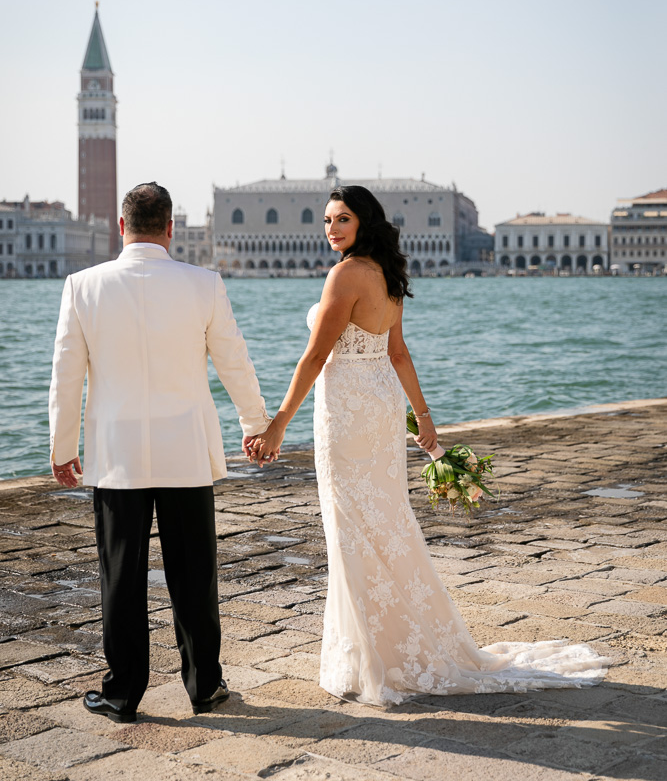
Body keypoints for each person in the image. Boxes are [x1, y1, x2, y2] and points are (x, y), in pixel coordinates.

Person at [245, 185, 609, 706]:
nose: (331, 229)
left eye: (342, 220)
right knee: (386, 520)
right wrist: (423, 416)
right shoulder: (388, 276)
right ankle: (391, 645)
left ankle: (372, 657)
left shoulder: (344, 275)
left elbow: (314, 357)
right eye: (327, 220)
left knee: (353, 528)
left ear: (364, 223)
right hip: (379, 406)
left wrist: (278, 423)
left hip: (347, 413)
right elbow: (397, 354)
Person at [49, 182, 271, 723]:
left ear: (119, 226)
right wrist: (256, 425)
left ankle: (122, 692)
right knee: (195, 574)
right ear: (171, 228)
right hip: (185, 450)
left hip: (116, 454)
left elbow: (66, 376)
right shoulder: (204, 284)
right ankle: (205, 687)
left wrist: (61, 447)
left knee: (120, 576)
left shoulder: (82, 285)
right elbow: (234, 362)